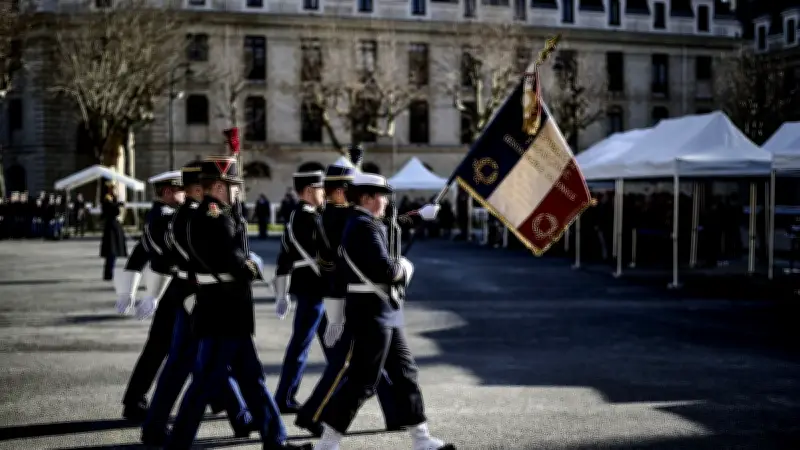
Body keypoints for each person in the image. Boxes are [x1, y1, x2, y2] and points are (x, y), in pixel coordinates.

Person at [167, 155, 311, 450]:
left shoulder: (211, 215)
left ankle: (276, 440)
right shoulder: (215, 218)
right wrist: (253, 265)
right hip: (224, 311)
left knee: (252, 379)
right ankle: (178, 443)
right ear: (219, 186)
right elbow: (235, 263)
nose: (238, 192)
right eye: (234, 186)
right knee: (206, 381)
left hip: (224, 310)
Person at [313, 172, 453, 450]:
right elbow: (385, 271)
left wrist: (417, 216)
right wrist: (405, 268)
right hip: (371, 312)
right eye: (383, 197)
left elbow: (391, 226)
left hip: (383, 310)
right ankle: (327, 442)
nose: (387, 202)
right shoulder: (362, 227)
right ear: (367, 198)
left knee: (404, 372)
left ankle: (421, 437)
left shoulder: (363, 221)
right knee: (363, 380)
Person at [140, 162, 252, 445]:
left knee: (208, 361)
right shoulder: (189, 218)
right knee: (191, 363)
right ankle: (157, 428)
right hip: (195, 294)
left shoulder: (188, 216)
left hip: (192, 292)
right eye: (202, 186)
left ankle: (241, 417)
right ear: (197, 189)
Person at [295, 147, 399, 437]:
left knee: (374, 362)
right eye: (349, 189)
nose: (355, 194)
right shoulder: (336, 218)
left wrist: (355, 164)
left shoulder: (337, 214)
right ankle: (312, 415)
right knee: (345, 365)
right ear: (338, 192)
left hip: (352, 297)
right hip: (342, 297)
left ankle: (398, 413)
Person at [115, 171, 185, 422]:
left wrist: (129, 291)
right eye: (181, 190)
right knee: (176, 351)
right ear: (168, 192)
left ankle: (134, 401)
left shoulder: (156, 216)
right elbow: (166, 259)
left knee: (158, 350)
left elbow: (138, 255)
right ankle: (137, 403)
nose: (186, 195)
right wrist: (147, 294)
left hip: (169, 293)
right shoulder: (166, 219)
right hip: (175, 292)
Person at [273, 164, 330, 414]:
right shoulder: (308, 217)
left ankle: (341, 387)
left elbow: (283, 257)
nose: (325, 194)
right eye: (321, 189)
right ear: (309, 190)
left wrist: (282, 293)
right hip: (314, 288)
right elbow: (327, 251)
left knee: (334, 347)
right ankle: (284, 397)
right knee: (301, 345)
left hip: (312, 288)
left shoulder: (298, 215)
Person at [100, 181, 128, 280]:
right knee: (111, 251)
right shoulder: (107, 199)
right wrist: (117, 203)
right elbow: (112, 210)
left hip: (114, 226)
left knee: (113, 252)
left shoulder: (112, 198)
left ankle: (109, 272)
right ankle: (108, 273)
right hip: (111, 228)